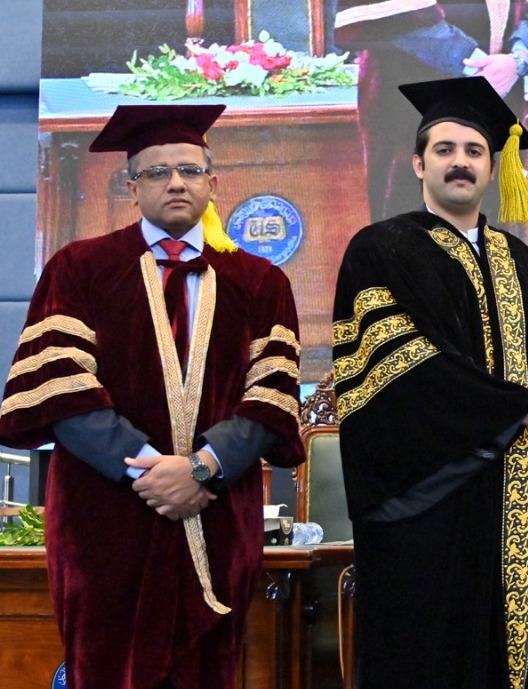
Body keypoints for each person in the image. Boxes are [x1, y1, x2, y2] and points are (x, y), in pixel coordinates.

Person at [0, 104, 305, 689]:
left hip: (215, 514)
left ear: (213, 183)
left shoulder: (260, 281)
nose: (176, 182)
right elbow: (62, 389)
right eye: (157, 171)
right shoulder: (79, 268)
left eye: (190, 170)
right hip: (104, 518)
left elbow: (270, 398)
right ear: (131, 185)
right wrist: (152, 470)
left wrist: (201, 468)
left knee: (209, 669)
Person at [332, 76, 528, 689]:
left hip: (524, 498)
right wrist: (527, 410)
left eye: (475, 151)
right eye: (445, 149)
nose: (460, 161)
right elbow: (404, 365)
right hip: (429, 501)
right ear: (418, 164)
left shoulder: (521, 261)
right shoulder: (381, 248)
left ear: (492, 168)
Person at [334, 0, 528, 221]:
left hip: (498, 98)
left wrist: (517, 60)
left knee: (488, 220)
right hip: (414, 100)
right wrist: (479, 66)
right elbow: (390, 17)